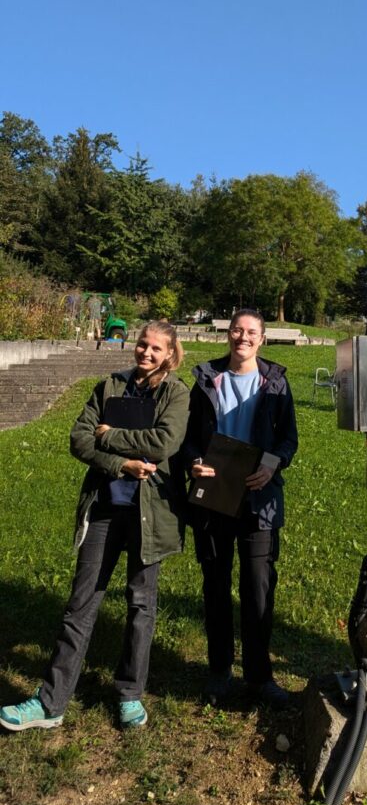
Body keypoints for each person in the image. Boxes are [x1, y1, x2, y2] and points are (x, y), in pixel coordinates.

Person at [0, 321, 189, 732]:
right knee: (80, 605)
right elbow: (79, 439)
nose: (146, 352)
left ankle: (129, 694)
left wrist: (109, 433)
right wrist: (121, 464)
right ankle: (51, 703)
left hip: (150, 516)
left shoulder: (175, 393)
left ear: (170, 354)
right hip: (104, 509)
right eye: (142, 344)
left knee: (141, 605)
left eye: (156, 348)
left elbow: (164, 443)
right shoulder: (110, 386)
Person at [184, 308, 298, 709]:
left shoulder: (276, 383)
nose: (243, 337)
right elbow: (188, 437)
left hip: (258, 499)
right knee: (215, 587)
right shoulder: (206, 379)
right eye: (237, 330)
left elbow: (289, 439)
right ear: (227, 334)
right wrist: (194, 461)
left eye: (251, 332)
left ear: (262, 339)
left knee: (258, 589)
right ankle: (219, 671)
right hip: (214, 496)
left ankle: (259, 676)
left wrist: (273, 463)